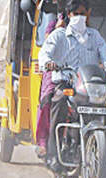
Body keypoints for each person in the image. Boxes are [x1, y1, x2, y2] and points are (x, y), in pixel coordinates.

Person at [38, 0, 106, 168]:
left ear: (88, 13)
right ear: (68, 15)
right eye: (76, 14)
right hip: (66, 83)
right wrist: (48, 63)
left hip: (88, 85)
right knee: (59, 102)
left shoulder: (94, 36)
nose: (79, 18)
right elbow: (45, 53)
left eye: (83, 14)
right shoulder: (59, 35)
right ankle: (53, 155)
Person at [34, 8, 66, 159]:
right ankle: (43, 142)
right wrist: (58, 28)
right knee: (47, 101)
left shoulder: (89, 31)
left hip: (78, 72)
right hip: (55, 71)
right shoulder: (54, 24)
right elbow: (47, 44)